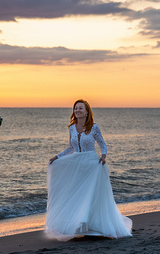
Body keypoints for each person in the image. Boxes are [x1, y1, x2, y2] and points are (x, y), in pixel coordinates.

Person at [45, 99, 132, 241]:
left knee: (90, 195)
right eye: (75, 108)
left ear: (87, 111)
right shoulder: (72, 128)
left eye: (80, 108)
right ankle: (79, 226)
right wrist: (57, 157)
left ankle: (93, 226)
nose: (77, 110)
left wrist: (103, 157)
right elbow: (71, 148)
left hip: (92, 164)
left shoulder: (94, 127)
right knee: (77, 194)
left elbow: (103, 145)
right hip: (77, 165)